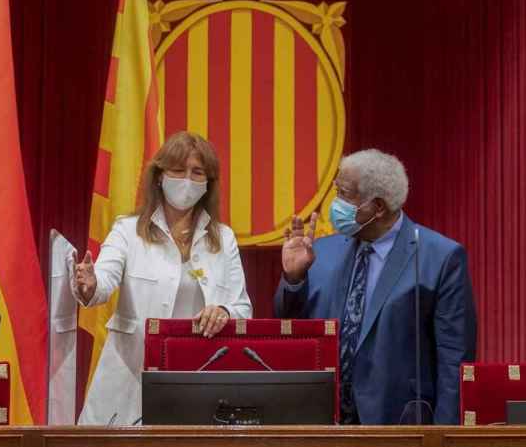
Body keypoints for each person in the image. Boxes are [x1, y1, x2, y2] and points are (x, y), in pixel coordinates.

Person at [275, 149, 477, 425]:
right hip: (322, 425)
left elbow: (455, 361)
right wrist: (293, 279)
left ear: (378, 207)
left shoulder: (440, 257)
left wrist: (443, 440)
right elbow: (287, 334)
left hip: (398, 427)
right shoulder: (319, 251)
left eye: (345, 194)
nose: (335, 204)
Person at [72, 131, 252, 426]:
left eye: (197, 173)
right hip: (130, 376)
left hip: (198, 380)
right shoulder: (128, 230)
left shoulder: (224, 238)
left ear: (208, 184)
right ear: (159, 176)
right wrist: (89, 284)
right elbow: (102, 281)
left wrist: (223, 311)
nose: (187, 181)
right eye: (178, 171)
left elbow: (242, 308)